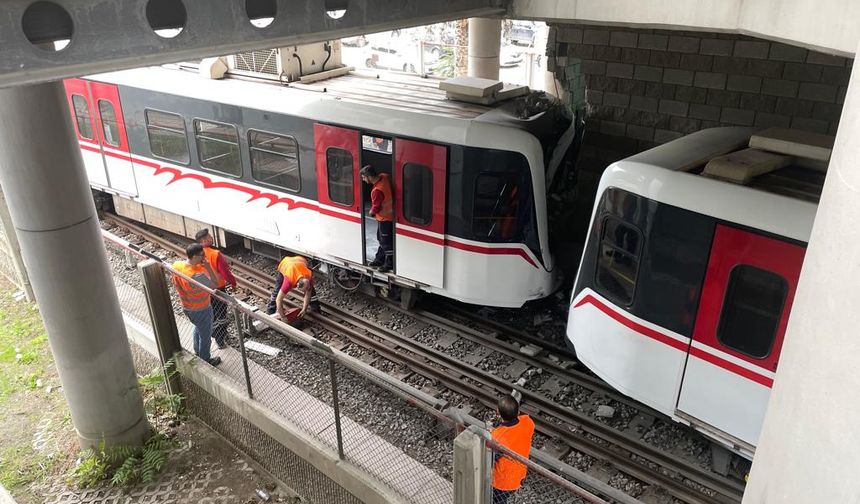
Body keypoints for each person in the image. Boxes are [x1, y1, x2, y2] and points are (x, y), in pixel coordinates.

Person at [172, 243, 223, 366]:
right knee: (205, 335)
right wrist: (209, 267)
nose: (204, 258)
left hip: (187, 306)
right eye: (202, 255)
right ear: (194, 256)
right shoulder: (197, 276)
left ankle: (197, 351)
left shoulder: (177, 265)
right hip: (201, 308)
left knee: (198, 327)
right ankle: (205, 359)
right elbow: (216, 284)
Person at [195, 228, 237, 349]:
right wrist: (233, 283)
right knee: (221, 315)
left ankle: (216, 334)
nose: (211, 238)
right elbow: (225, 272)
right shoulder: (215, 254)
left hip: (204, 288)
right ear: (203, 241)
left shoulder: (196, 254)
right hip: (218, 289)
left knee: (211, 313)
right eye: (208, 237)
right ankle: (220, 340)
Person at [490, 394, 536, 504]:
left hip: (501, 482)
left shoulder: (497, 436)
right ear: (518, 411)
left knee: (497, 501)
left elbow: (492, 457)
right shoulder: (528, 422)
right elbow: (517, 425)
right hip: (519, 475)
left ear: (498, 412)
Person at [360, 165, 394, 272]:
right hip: (389, 216)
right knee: (381, 239)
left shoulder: (377, 190)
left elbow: (375, 207)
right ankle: (379, 258)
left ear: (369, 176)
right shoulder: (384, 176)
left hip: (385, 218)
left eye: (364, 177)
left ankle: (389, 264)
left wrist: (370, 212)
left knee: (386, 241)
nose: (363, 179)